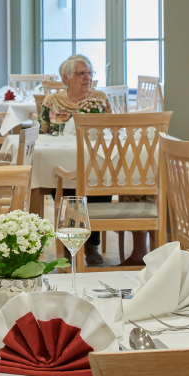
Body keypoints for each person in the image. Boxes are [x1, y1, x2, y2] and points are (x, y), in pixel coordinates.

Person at [37, 54, 113, 266]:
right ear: (66, 77)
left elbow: (111, 130)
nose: (87, 77)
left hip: (95, 159)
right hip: (62, 160)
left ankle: (91, 245)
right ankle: (71, 243)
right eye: (81, 73)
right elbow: (41, 132)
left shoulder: (100, 99)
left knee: (101, 178)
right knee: (64, 183)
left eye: (90, 73)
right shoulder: (52, 101)